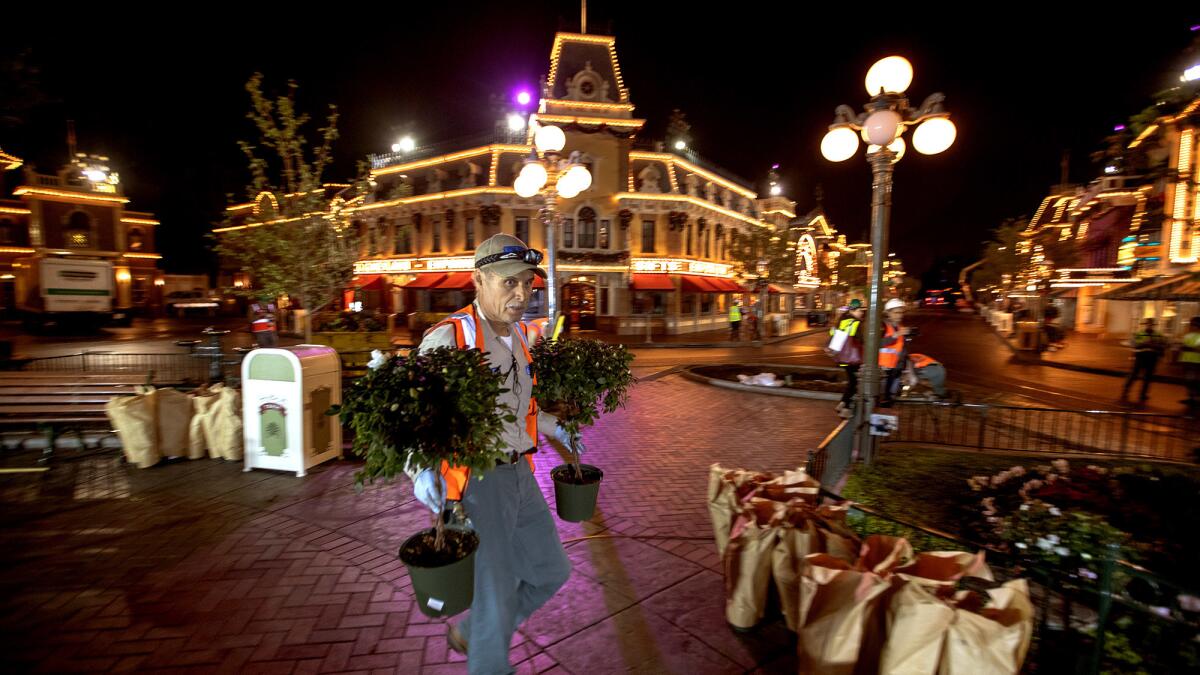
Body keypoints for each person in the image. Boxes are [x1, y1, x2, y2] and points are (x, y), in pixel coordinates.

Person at [408, 234, 575, 674]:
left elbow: (520, 408)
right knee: (494, 592)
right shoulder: (450, 337)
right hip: (477, 483)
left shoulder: (520, 335)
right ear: (478, 279)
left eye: (527, 284)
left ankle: (480, 630)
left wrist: (559, 428)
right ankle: (488, 651)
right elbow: (410, 415)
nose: (521, 294)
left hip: (520, 474)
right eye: (508, 284)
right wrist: (420, 471)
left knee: (551, 571)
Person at [828, 299, 865, 417]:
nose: (862, 313)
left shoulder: (841, 320)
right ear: (853, 310)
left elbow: (832, 334)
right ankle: (846, 409)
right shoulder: (856, 323)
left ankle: (843, 403)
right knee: (855, 382)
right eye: (860, 310)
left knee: (852, 381)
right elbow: (861, 340)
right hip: (853, 359)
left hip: (842, 358)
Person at [1121, 318, 1169, 404]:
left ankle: (1143, 393)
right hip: (1141, 356)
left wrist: (1155, 345)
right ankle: (1126, 388)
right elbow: (1133, 344)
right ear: (1145, 325)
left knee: (1148, 377)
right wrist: (1143, 344)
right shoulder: (1139, 333)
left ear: (1154, 326)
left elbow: (1165, 345)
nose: (1149, 326)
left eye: (1151, 324)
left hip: (1152, 357)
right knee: (1134, 374)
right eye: (1148, 324)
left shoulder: (1158, 335)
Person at [878, 298, 911, 407]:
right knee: (880, 399)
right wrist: (895, 336)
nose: (899, 315)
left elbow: (902, 350)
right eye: (896, 312)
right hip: (882, 370)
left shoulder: (900, 327)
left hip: (895, 369)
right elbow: (876, 344)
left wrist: (904, 369)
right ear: (888, 313)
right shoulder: (883, 326)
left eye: (901, 312)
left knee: (890, 398)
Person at [1180, 316, 1200, 408]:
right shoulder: (1187, 336)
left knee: (1194, 380)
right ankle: (1191, 397)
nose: (1192, 326)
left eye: (1194, 325)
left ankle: (1195, 398)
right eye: (1192, 324)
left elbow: (1197, 349)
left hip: (1196, 362)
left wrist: (1188, 348)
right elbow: (1184, 347)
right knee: (1188, 380)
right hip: (1187, 361)